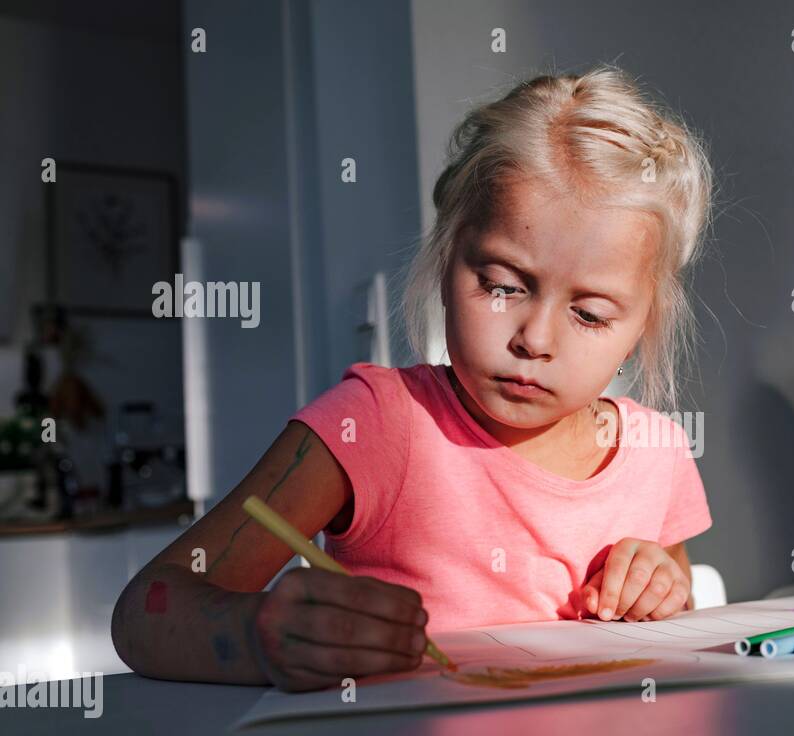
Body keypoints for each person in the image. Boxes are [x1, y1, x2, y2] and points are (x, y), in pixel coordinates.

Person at [112, 66, 715, 690]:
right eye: (502, 286)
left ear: (646, 321)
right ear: (447, 257)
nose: (534, 340)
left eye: (589, 314)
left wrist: (661, 588)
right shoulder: (374, 422)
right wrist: (258, 633)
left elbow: (678, 602)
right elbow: (144, 614)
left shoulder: (654, 451)